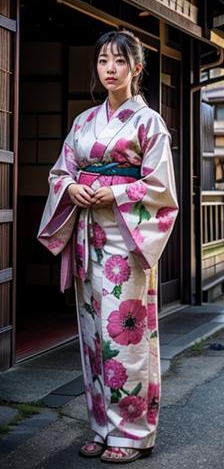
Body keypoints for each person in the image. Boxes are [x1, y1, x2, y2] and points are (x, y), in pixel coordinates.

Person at [37, 30, 178, 464]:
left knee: (124, 335)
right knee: (92, 337)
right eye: (102, 61)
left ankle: (131, 432)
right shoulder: (83, 122)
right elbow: (60, 171)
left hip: (126, 241)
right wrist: (71, 187)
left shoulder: (148, 122)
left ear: (137, 69)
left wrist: (114, 194)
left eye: (119, 62)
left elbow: (160, 186)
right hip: (86, 237)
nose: (110, 69)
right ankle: (101, 425)